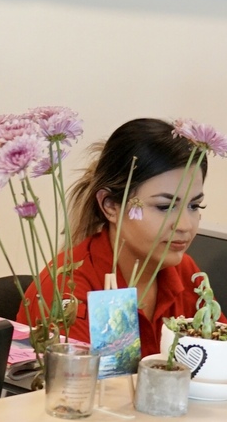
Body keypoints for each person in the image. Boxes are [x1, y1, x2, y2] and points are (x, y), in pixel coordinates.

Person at [22, 118, 214, 350]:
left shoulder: (186, 271)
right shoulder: (66, 290)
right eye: (164, 207)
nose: (185, 225)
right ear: (110, 205)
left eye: (194, 206)